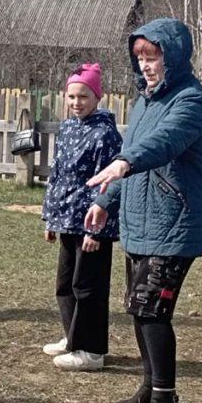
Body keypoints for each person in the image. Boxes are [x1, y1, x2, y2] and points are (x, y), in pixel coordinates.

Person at [85, 18, 202, 403]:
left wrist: (124, 162)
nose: (146, 65)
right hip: (140, 221)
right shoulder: (144, 102)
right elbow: (130, 157)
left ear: (172, 56)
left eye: (152, 56)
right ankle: (150, 388)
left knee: (151, 311)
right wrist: (106, 201)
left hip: (175, 223)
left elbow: (161, 145)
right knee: (139, 310)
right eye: (139, 57)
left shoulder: (190, 101)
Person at [42, 63, 122, 372]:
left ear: (97, 97)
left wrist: (96, 230)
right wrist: (51, 217)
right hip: (67, 218)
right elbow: (58, 174)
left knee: (88, 286)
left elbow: (109, 184)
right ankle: (72, 336)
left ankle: (91, 350)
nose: (77, 103)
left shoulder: (105, 134)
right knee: (65, 284)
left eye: (84, 96)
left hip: (92, 223)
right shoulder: (67, 128)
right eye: (72, 96)